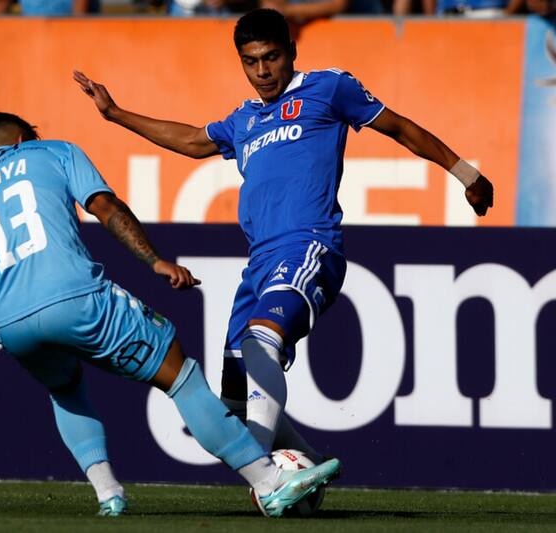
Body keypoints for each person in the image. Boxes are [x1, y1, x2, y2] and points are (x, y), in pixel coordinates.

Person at [74, 6, 494, 481]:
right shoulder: (245, 119)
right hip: (259, 265)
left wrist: (466, 175)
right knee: (232, 395)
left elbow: (399, 127)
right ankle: (306, 466)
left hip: (308, 247)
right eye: (250, 61)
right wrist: (114, 115)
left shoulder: (329, 88)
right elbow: (192, 140)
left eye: (271, 57)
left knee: (262, 340)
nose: (262, 71)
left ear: (292, 51)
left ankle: (264, 474)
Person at [0, 112, 341, 518]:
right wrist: (155, 261)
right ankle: (268, 480)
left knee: (64, 388)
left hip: (11, 323)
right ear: (23, 139)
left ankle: (108, 495)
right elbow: (105, 207)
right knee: (178, 373)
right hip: (75, 297)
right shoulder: (54, 151)